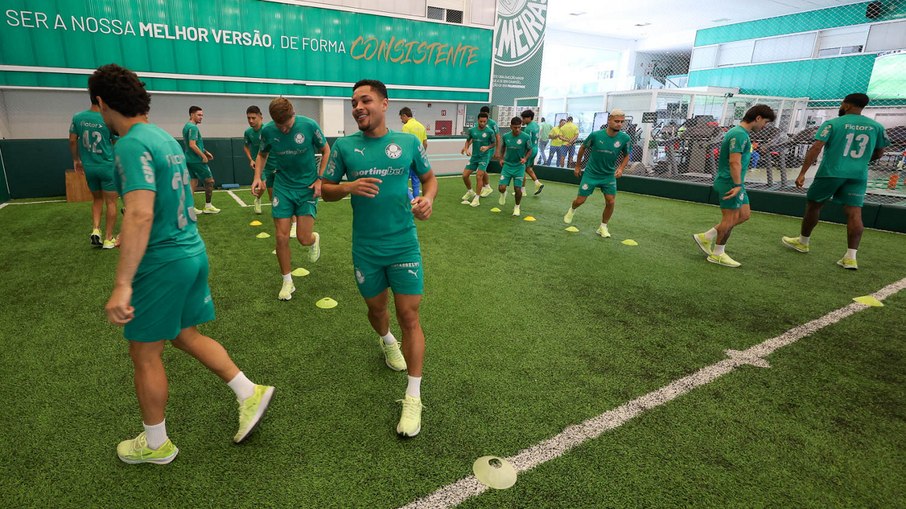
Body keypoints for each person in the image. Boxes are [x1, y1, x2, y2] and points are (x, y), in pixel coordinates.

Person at [93, 64, 273, 465]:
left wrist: (122, 283)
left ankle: (156, 444)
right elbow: (165, 203)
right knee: (182, 334)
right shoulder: (164, 138)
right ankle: (249, 391)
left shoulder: (129, 143)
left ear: (102, 103)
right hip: (190, 251)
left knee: (144, 352)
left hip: (163, 262)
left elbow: (139, 213)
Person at [322, 79, 437, 437]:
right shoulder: (343, 146)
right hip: (366, 249)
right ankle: (387, 342)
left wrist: (428, 199)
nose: (357, 106)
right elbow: (324, 190)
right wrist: (347, 188)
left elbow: (429, 179)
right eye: (354, 102)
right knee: (377, 311)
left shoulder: (407, 142)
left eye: (365, 100)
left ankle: (413, 397)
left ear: (385, 104)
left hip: (404, 244)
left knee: (410, 315)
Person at [781, 93, 890, 269]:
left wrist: (802, 173)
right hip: (858, 175)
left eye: (842, 104)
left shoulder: (833, 123)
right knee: (855, 213)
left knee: (814, 205)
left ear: (846, 105)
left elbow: (816, 147)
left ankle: (803, 242)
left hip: (831, 172)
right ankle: (850, 257)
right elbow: (879, 153)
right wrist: (859, 163)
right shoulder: (876, 126)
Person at [252, 98, 330, 300]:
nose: (284, 130)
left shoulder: (309, 125)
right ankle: (287, 281)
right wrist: (257, 177)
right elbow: (262, 154)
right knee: (281, 236)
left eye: (287, 125)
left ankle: (314, 240)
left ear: (293, 114)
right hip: (283, 186)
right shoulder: (268, 131)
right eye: (280, 126)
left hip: (307, 187)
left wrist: (321, 179)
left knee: (304, 238)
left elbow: (326, 150)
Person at [692, 104, 776, 268]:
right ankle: (717, 254)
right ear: (757, 118)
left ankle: (706, 237)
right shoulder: (739, 135)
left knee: (744, 215)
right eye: (765, 122)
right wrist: (737, 184)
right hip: (731, 183)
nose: (765, 126)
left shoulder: (741, 134)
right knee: (729, 220)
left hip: (737, 183)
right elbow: (734, 162)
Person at [563, 110, 632, 238]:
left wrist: (621, 168)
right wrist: (578, 166)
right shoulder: (595, 135)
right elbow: (583, 148)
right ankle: (572, 210)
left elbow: (627, 155)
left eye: (622, 122)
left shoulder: (625, 138)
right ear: (609, 120)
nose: (619, 124)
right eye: (617, 121)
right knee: (580, 200)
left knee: (610, 202)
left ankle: (603, 227)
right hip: (591, 174)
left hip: (609, 175)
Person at [69, 94, 118, 248]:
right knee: (111, 202)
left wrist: (76, 160)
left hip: (89, 167)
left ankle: (96, 230)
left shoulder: (78, 117)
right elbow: (116, 142)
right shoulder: (109, 119)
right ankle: (109, 239)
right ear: (101, 100)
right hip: (107, 166)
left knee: (97, 199)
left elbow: (72, 140)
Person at [182, 106, 220, 214]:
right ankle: (208, 206)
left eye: (202, 115)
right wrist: (203, 156)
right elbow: (192, 145)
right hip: (196, 160)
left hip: (188, 159)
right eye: (199, 115)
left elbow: (194, 144)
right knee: (209, 181)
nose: (201, 117)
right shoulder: (193, 128)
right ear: (192, 114)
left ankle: (189, 207)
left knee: (193, 182)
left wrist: (206, 152)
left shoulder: (186, 126)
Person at [243, 105, 278, 215]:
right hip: (261, 166)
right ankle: (257, 200)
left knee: (273, 194)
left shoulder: (268, 130)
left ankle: (279, 214)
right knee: (262, 186)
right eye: (248, 118)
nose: (251, 120)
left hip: (274, 164)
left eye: (253, 118)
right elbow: (246, 146)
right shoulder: (248, 132)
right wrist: (251, 159)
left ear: (260, 117)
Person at [497, 117, 532, 217]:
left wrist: (525, 159)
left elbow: (530, 150)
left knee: (517, 189)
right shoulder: (506, 136)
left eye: (519, 127)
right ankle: (503, 193)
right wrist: (501, 158)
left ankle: (517, 207)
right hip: (507, 165)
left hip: (519, 166)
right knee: (501, 188)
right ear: (511, 126)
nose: (517, 129)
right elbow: (503, 147)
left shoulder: (525, 137)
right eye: (515, 127)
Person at [459, 112, 496, 207]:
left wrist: (487, 147)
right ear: (477, 120)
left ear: (487, 121)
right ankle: (470, 191)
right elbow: (468, 141)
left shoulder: (490, 132)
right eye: (481, 121)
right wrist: (466, 149)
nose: (482, 123)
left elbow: (493, 143)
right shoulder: (472, 130)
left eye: (484, 121)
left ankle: (477, 198)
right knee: (465, 175)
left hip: (484, 157)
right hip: (474, 157)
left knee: (479, 176)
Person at [400, 107, 428, 200]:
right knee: (416, 183)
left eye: (401, 118)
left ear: (404, 115)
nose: (401, 120)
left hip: (408, 159)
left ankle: (412, 200)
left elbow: (404, 144)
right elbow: (425, 143)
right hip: (418, 160)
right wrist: (420, 155)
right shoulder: (421, 126)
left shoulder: (406, 127)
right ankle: (416, 200)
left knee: (402, 182)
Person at [519, 110, 545, 195]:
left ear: (529, 118)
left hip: (529, 151)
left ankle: (522, 191)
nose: (522, 120)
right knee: (528, 168)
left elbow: (527, 142)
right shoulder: (536, 125)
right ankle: (537, 183)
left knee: (522, 169)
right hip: (535, 149)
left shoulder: (528, 128)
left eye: (524, 118)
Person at [477, 106, 498, 197]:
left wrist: (497, 150)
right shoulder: (478, 123)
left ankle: (487, 186)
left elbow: (497, 136)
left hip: (489, 149)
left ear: (488, 114)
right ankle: (485, 187)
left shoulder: (493, 123)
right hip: (481, 149)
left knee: (482, 168)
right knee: (481, 167)